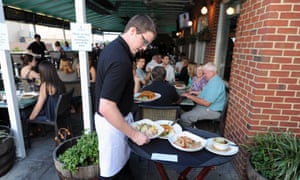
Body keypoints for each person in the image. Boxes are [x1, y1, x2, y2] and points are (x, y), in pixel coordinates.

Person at [94, 15, 157, 179]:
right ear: (133, 31)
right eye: (144, 41)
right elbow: (106, 106)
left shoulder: (114, 48)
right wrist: (135, 135)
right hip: (112, 125)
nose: (144, 48)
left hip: (115, 122)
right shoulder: (120, 59)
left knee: (123, 170)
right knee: (113, 174)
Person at [179, 62, 226, 127]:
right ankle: (191, 126)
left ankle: (188, 133)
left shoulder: (215, 83)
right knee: (184, 110)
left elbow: (206, 103)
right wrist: (192, 94)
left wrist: (190, 97)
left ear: (212, 72)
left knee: (184, 117)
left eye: (205, 73)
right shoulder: (212, 80)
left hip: (212, 110)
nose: (204, 75)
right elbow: (205, 93)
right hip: (207, 107)